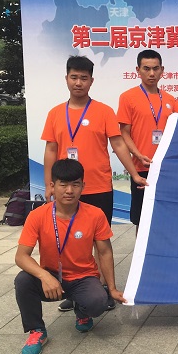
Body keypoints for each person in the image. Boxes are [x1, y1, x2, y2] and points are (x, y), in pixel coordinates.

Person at [42, 55, 147, 311]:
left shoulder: (104, 111)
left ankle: (103, 288)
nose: (78, 82)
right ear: (66, 79)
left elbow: (118, 144)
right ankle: (74, 289)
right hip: (67, 190)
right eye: (74, 77)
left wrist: (134, 174)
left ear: (91, 81)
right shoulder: (55, 113)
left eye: (83, 78)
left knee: (100, 242)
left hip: (98, 186)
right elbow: (51, 150)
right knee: (70, 241)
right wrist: (49, 185)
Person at [14, 159, 127, 354]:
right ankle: (37, 331)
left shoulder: (95, 214)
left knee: (98, 302)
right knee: (23, 280)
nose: (69, 190)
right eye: (63, 184)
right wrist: (44, 276)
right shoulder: (37, 216)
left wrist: (112, 288)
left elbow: (105, 252)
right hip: (51, 277)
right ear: (52, 186)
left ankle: (82, 311)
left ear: (83, 186)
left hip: (83, 277)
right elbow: (21, 256)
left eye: (75, 184)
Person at [117, 50, 177, 229]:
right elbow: (124, 133)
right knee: (142, 222)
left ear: (162, 70)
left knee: (165, 219)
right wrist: (138, 154)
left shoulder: (170, 99)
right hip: (141, 168)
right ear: (138, 70)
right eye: (146, 68)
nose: (151, 73)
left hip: (166, 169)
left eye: (155, 68)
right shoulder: (128, 97)